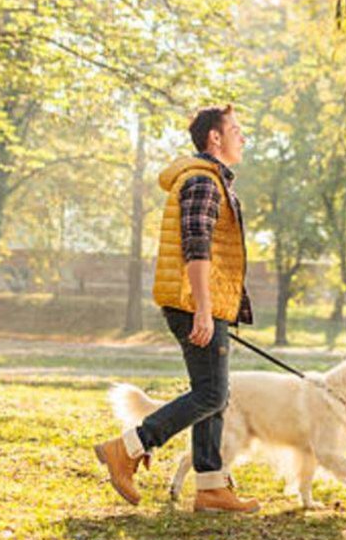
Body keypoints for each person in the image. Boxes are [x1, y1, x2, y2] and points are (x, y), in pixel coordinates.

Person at [94, 104, 260, 513]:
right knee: (212, 393)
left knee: (214, 396)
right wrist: (204, 309)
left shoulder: (212, 180)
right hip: (193, 304)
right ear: (214, 138)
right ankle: (128, 447)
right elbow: (196, 245)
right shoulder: (203, 181)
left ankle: (211, 487)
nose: (243, 137)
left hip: (206, 304)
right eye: (236, 130)